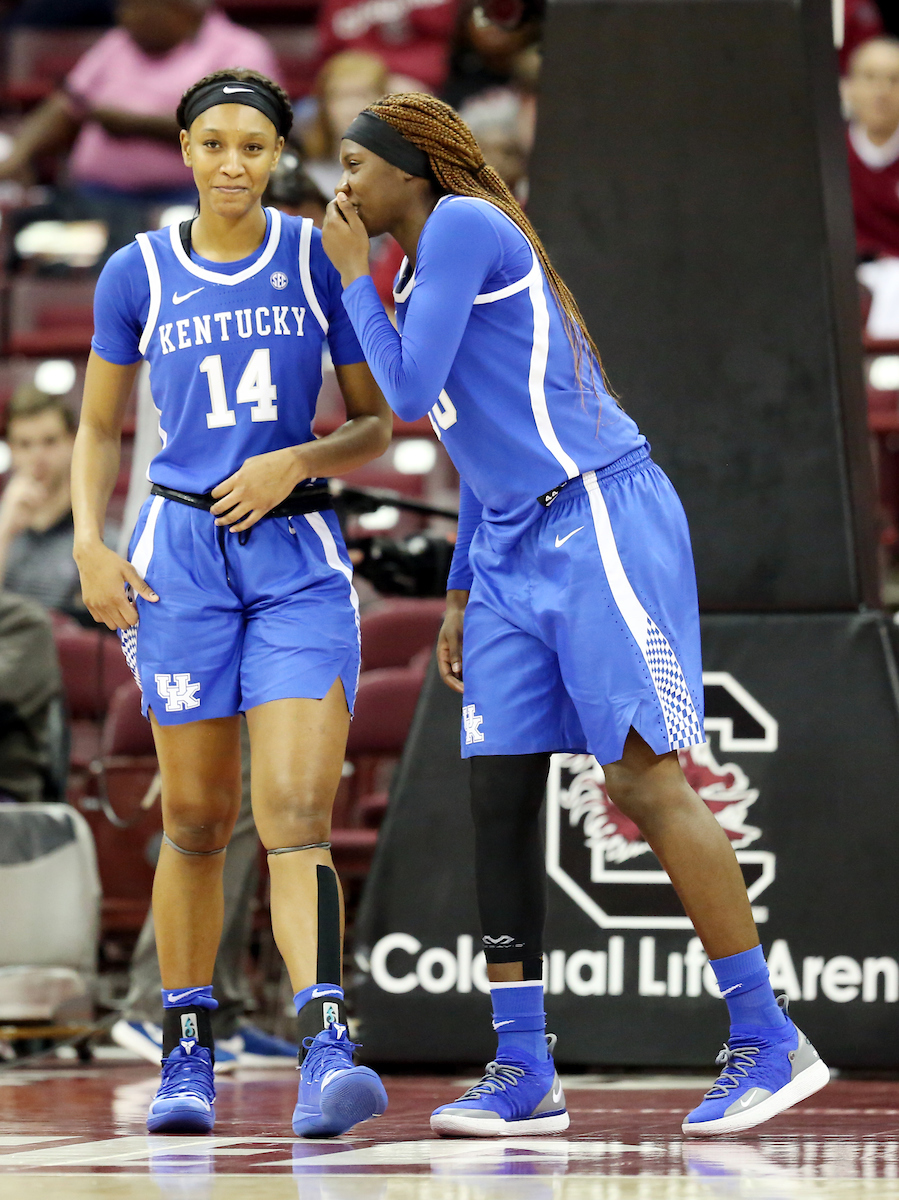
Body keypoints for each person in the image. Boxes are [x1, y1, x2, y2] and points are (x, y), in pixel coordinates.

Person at [321, 92, 831, 1138]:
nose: (343, 183)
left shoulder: (464, 226)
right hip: (506, 544)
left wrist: (346, 280)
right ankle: (522, 1067)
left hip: (594, 514)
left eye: (355, 164)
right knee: (498, 791)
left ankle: (767, 1035)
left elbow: (406, 395)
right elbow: (472, 440)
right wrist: (459, 588)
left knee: (640, 778)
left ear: (408, 169)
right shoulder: (415, 271)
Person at [71, 68, 392, 1138]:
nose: (232, 164)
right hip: (179, 557)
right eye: (213, 143)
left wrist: (294, 459)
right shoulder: (137, 269)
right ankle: (185, 1055)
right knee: (198, 821)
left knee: (295, 815)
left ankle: (327, 1047)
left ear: (278, 154)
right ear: (184, 148)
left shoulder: (313, 254)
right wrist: (89, 542)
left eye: (252, 146)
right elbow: (98, 427)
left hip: (294, 552)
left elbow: (374, 424)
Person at [0, 0, 279, 256]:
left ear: (181, 8)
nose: (123, 15)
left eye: (135, 6)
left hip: (194, 203)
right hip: (96, 198)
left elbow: (239, 129)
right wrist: (17, 157)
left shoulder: (240, 49)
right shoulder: (118, 43)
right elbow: (66, 105)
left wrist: (135, 124)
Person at [0, 388, 87, 622]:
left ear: (72, 442)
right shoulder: (2, 527)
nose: (37, 456)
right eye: (25, 444)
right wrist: (4, 531)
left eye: (50, 441)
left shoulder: (98, 536)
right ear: (11, 449)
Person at [844, 36, 899, 261]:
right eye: (870, 77)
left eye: (894, 79)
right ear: (849, 86)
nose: (882, 91)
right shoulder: (829, 155)